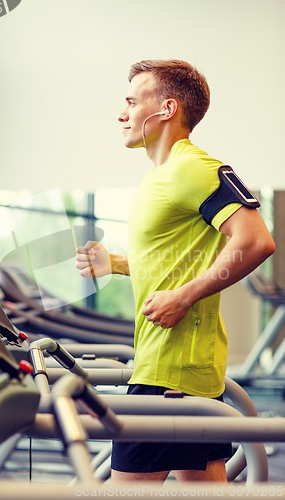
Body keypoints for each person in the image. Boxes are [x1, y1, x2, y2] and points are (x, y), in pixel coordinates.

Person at [75, 59, 275, 483]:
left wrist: (184, 297)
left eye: (132, 101)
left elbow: (256, 241)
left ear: (167, 108)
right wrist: (115, 264)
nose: (121, 113)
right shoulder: (159, 176)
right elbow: (179, 261)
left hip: (171, 372)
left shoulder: (193, 168)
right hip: (175, 369)